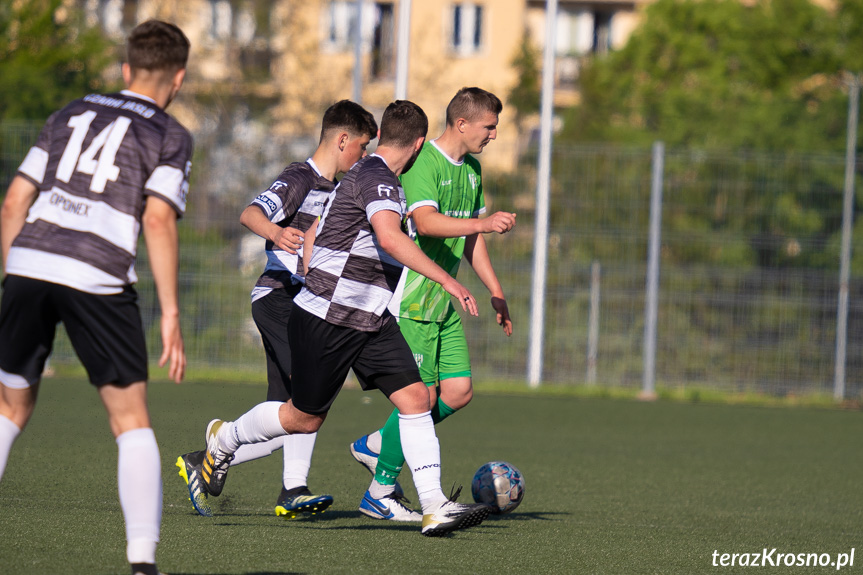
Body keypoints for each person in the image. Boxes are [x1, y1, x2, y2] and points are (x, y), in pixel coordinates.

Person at [196, 100, 492, 536]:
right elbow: (390, 237)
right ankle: (224, 439)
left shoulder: (367, 176)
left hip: (369, 317)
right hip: (329, 319)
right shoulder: (376, 176)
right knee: (303, 417)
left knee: (415, 399)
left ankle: (434, 505)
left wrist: (316, 263)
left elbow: (321, 228)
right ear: (417, 144)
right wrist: (447, 281)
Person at [0, 20, 191, 575]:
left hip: (29, 261)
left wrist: (11, 277)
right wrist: (171, 313)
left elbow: (14, 202)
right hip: (97, 274)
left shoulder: (69, 112)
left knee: (10, 408)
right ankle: (141, 563)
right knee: (130, 420)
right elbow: (157, 218)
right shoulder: (171, 133)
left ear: (127, 69)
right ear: (177, 78)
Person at [175, 100, 378, 519]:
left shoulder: (340, 190)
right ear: (342, 140)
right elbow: (250, 213)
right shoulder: (299, 178)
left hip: (303, 304)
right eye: (361, 147)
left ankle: (206, 456)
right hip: (279, 297)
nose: (363, 157)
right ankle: (293, 489)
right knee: (310, 400)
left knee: (286, 418)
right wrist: (278, 232)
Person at [348, 87, 516, 520]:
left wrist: (496, 290)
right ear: (462, 123)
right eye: (489, 126)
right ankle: (379, 490)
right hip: (413, 299)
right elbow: (425, 222)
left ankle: (377, 444)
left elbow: (470, 237)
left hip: (444, 301)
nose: (494, 134)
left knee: (458, 392)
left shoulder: (473, 170)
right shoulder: (423, 163)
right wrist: (484, 222)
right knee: (418, 397)